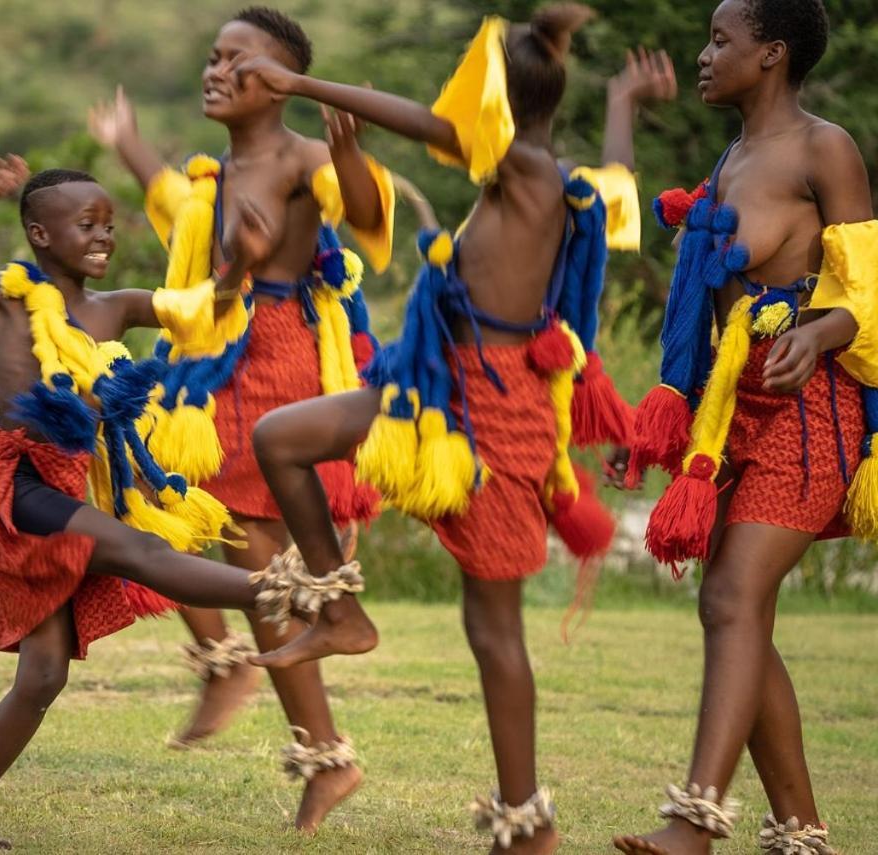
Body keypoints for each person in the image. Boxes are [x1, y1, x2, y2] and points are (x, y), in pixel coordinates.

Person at [232, 7, 674, 852]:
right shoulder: (552, 176)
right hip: (431, 393)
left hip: (499, 417)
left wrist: (298, 83)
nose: (454, 119)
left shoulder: (530, 173)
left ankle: (526, 823)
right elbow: (620, 177)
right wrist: (620, 98)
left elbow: (434, 126)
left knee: (492, 627)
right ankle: (342, 613)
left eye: (467, 103)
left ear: (493, 113)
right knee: (281, 437)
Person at [0, 158, 359, 849]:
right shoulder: (2, 295)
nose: (103, 235)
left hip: (81, 485)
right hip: (21, 486)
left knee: (41, 676)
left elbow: (202, 317)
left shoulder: (117, 306)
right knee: (149, 553)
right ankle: (302, 596)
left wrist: (236, 268)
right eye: (85, 224)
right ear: (39, 234)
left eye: (108, 223)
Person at [88, 5, 395, 833]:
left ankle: (317, 745)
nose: (215, 71)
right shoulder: (209, 175)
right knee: (156, 512)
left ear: (281, 82)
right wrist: (126, 141)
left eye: (238, 61)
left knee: (255, 557)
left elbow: (366, 217)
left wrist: (350, 151)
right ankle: (239, 671)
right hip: (205, 367)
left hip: (280, 363)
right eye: (213, 57)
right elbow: (174, 208)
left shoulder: (303, 160)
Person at [616, 2, 874, 853]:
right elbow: (706, 310)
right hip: (736, 419)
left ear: (770, 55)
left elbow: (868, 281)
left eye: (720, 40)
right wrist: (674, 417)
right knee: (733, 611)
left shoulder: (822, 147)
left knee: (731, 598)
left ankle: (695, 821)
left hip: (811, 414)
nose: (702, 54)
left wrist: (821, 329)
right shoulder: (729, 159)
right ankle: (801, 831)